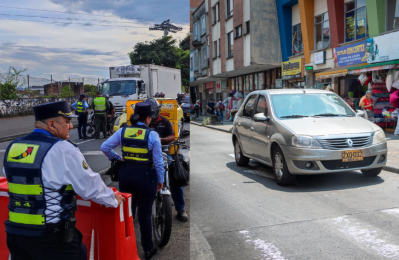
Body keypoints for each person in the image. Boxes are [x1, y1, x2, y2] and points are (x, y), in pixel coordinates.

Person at [3, 101, 124, 260]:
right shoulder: (64, 149)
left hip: (16, 234)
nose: (71, 126)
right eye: (67, 122)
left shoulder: (14, 146)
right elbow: (89, 186)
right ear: (52, 124)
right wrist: (112, 199)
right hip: (51, 236)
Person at [100, 102, 164, 260]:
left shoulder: (122, 131)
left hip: (126, 175)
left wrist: (118, 158)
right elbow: (158, 162)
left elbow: (105, 147)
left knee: (127, 214)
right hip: (146, 177)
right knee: (145, 216)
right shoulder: (152, 135)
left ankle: (124, 248)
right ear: (148, 118)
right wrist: (160, 180)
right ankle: (148, 250)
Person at [145, 98, 188, 222]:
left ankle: (181, 209)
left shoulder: (163, 121)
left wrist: (160, 140)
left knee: (175, 177)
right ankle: (133, 209)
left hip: (163, 154)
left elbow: (172, 136)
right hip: (145, 156)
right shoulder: (142, 123)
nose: (151, 116)